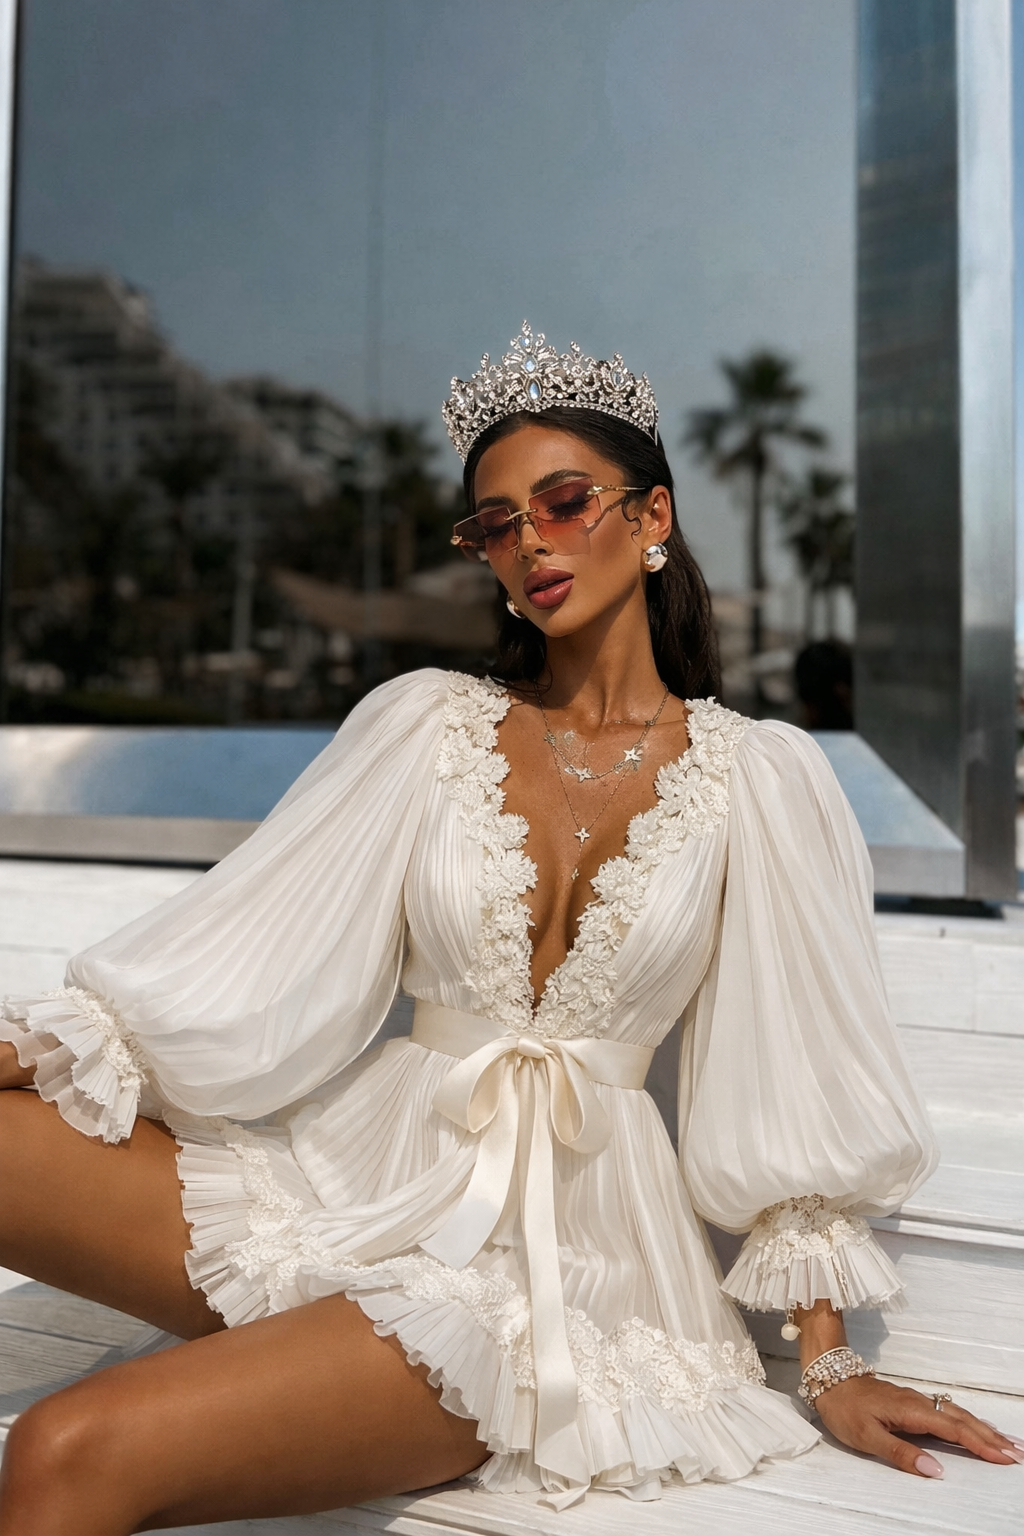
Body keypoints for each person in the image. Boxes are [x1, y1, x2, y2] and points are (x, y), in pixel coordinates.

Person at [0, 324, 1019, 1534]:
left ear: (651, 518)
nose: (526, 538)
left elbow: (794, 1071)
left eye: (563, 500)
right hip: (353, 1179)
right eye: (493, 522)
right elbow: (245, 951)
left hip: (553, 1273)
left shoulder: (762, 779)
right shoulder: (421, 726)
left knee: (69, 1447)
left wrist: (833, 1363)